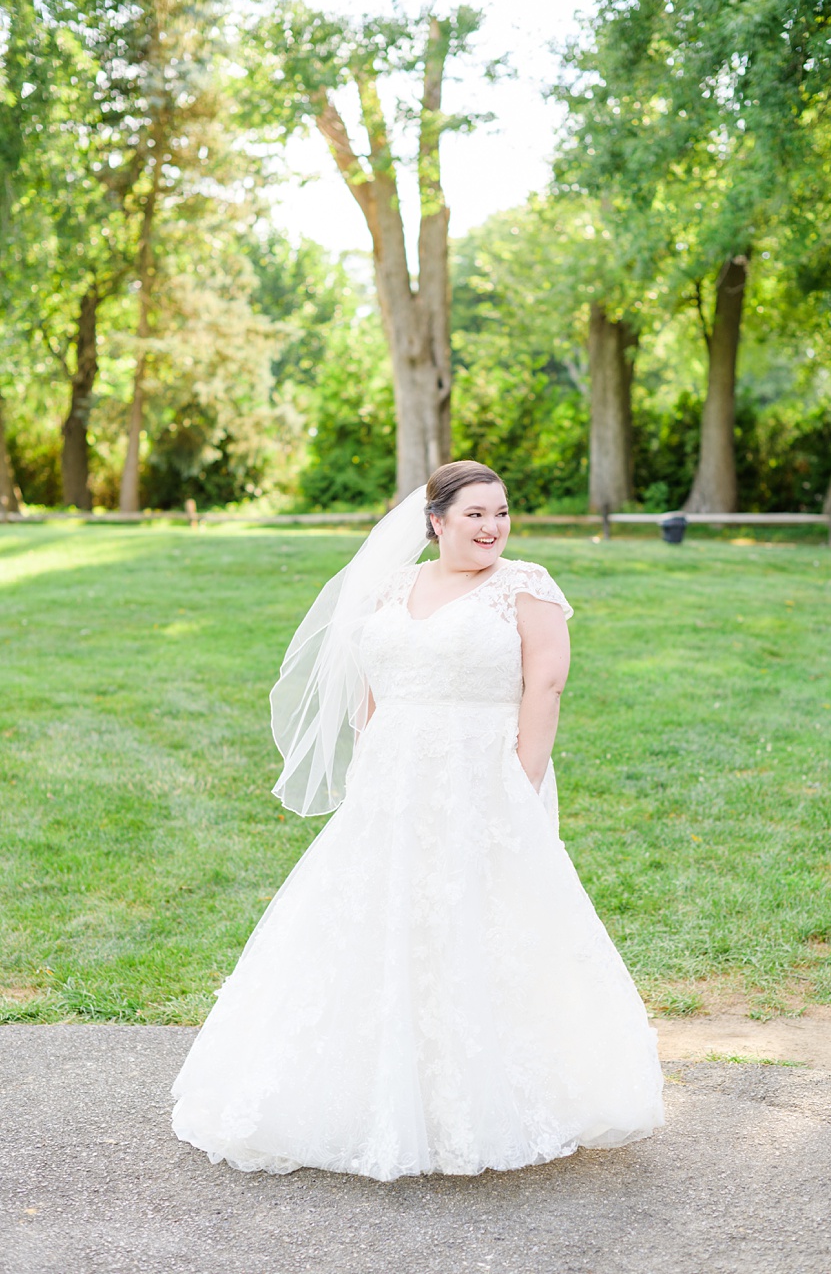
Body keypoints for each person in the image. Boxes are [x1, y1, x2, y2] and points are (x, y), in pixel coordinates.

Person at [171, 461, 664, 1180]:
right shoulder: (394, 587)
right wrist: (370, 758)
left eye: (500, 512)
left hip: (481, 770)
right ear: (435, 522)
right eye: (475, 515)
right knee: (380, 916)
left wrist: (520, 780)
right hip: (394, 778)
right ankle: (372, 1091)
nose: (492, 527)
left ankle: (490, 1094)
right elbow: (376, 682)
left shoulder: (525, 588)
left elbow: (546, 683)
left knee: (481, 915)